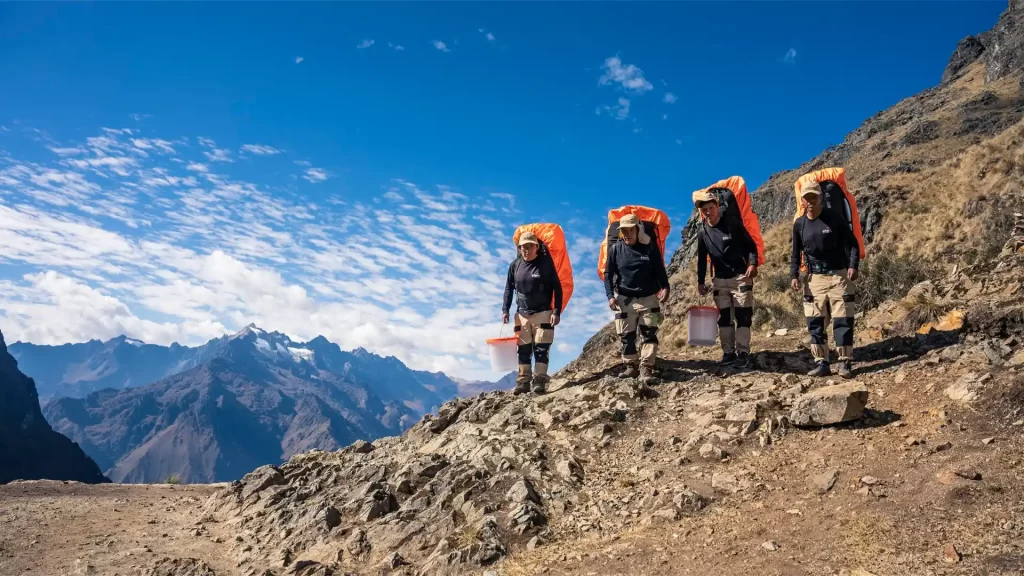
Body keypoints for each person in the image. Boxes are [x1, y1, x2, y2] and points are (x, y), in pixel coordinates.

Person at [790, 179, 860, 378]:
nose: (810, 201)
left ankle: (845, 362)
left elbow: (853, 244)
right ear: (802, 201)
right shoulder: (799, 224)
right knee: (815, 321)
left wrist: (853, 266)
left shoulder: (835, 218)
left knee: (843, 319)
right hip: (814, 279)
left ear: (820, 197)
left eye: (814, 196)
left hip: (838, 275)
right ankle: (822, 362)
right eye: (807, 198)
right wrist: (794, 275)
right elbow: (795, 253)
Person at [692, 189, 759, 369]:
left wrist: (753, 264)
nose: (708, 212)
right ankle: (728, 353)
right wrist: (700, 281)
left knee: (743, 317)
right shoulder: (702, 232)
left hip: (740, 277)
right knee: (725, 318)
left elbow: (750, 245)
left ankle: (743, 352)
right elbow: (701, 259)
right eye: (704, 209)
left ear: (717, 206)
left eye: (711, 208)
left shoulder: (732, 223)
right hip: (719, 280)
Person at [603, 214, 670, 383]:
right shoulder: (615, 250)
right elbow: (608, 274)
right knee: (626, 335)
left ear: (637, 229)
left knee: (649, 334)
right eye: (624, 230)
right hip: (625, 299)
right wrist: (610, 296)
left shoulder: (649, 247)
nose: (627, 233)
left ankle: (646, 368)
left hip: (650, 299)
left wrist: (666, 287)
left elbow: (659, 269)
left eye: (630, 229)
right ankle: (631, 366)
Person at [502, 231, 563, 394]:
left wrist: (556, 311)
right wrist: (505, 309)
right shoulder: (515, 265)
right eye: (523, 247)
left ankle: (540, 381)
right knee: (523, 350)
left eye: (530, 246)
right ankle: (523, 383)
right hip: (522, 315)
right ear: (519, 248)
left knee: (542, 348)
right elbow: (509, 288)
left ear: (536, 247)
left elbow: (557, 288)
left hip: (543, 313)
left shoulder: (546, 264)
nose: (526, 250)